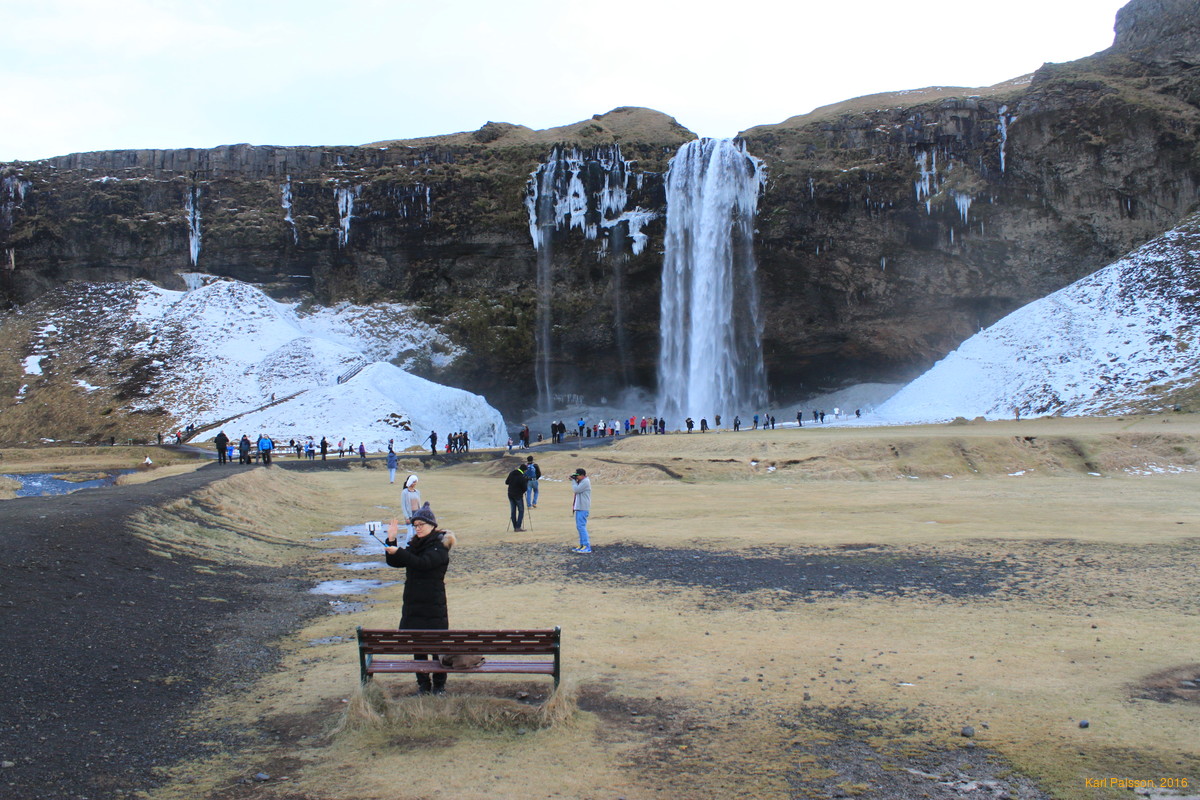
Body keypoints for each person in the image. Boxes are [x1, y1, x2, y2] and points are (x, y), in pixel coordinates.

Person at [383, 504, 455, 696]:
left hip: (433, 605)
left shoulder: (440, 546)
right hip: (414, 604)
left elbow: (423, 564)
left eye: (421, 524)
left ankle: (439, 686)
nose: (418, 528)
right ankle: (423, 685)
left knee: (437, 647)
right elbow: (396, 561)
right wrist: (391, 540)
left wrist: (399, 552)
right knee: (418, 647)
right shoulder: (416, 544)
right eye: (415, 525)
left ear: (432, 525)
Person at [570, 468, 591, 553]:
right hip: (579, 507)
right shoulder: (581, 482)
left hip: (583, 507)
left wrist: (573, 481)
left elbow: (576, 490)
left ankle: (586, 545)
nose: (576, 477)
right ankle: (582, 544)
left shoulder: (585, 482)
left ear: (582, 475)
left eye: (577, 476)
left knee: (581, 527)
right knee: (579, 527)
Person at [505, 462, 528, 531]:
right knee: (521, 510)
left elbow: (506, 482)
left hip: (510, 494)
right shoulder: (522, 477)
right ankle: (518, 527)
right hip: (518, 495)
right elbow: (525, 488)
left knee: (513, 511)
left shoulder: (512, 473)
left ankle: (515, 526)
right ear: (524, 470)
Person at [400, 474, 422, 545]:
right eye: (413, 482)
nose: (414, 484)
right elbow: (403, 506)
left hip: (417, 514)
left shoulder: (417, 492)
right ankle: (406, 546)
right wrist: (407, 517)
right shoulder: (405, 492)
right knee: (410, 534)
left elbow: (419, 504)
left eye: (415, 482)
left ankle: (415, 547)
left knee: (416, 533)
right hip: (409, 514)